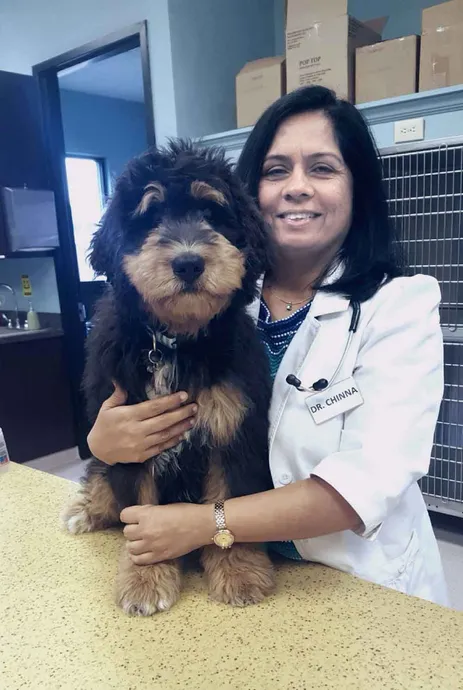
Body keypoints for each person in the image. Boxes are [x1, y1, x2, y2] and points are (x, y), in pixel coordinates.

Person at [87, 86, 448, 606]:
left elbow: (368, 481)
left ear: (357, 188)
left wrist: (205, 526)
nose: (297, 187)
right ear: (252, 192)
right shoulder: (217, 303)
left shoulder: (402, 306)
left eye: (322, 168)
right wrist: (103, 445)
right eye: (277, 171)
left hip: (350, 578)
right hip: (213, 560)